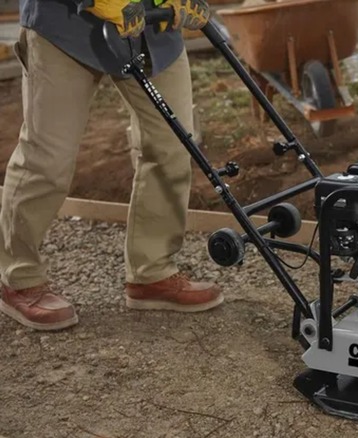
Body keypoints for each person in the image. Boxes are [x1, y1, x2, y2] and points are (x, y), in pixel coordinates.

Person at [0, 0, 223, 331]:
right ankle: (19, 277)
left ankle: (152, 271)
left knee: (172, 146)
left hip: (153, 27)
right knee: (48, 157)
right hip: (65, 26)